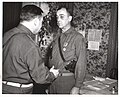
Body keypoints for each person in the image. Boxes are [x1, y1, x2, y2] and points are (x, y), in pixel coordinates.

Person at [2, 5, 59, 94]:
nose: (41, 27)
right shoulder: (29, 44)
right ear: (36, 21)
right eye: (41, 22)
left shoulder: (6, 35)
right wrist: (52, 75)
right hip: (20, 91)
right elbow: (41, 78)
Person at [48, 5, 86, 94]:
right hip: (53, 80)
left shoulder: (77, 38)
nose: (58, 19)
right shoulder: (57, 37)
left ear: (69, 18)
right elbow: (51, 59)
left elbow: (81, 63)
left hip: (66, 81)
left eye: (62, 16)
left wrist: (77, 86)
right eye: (57, 17)